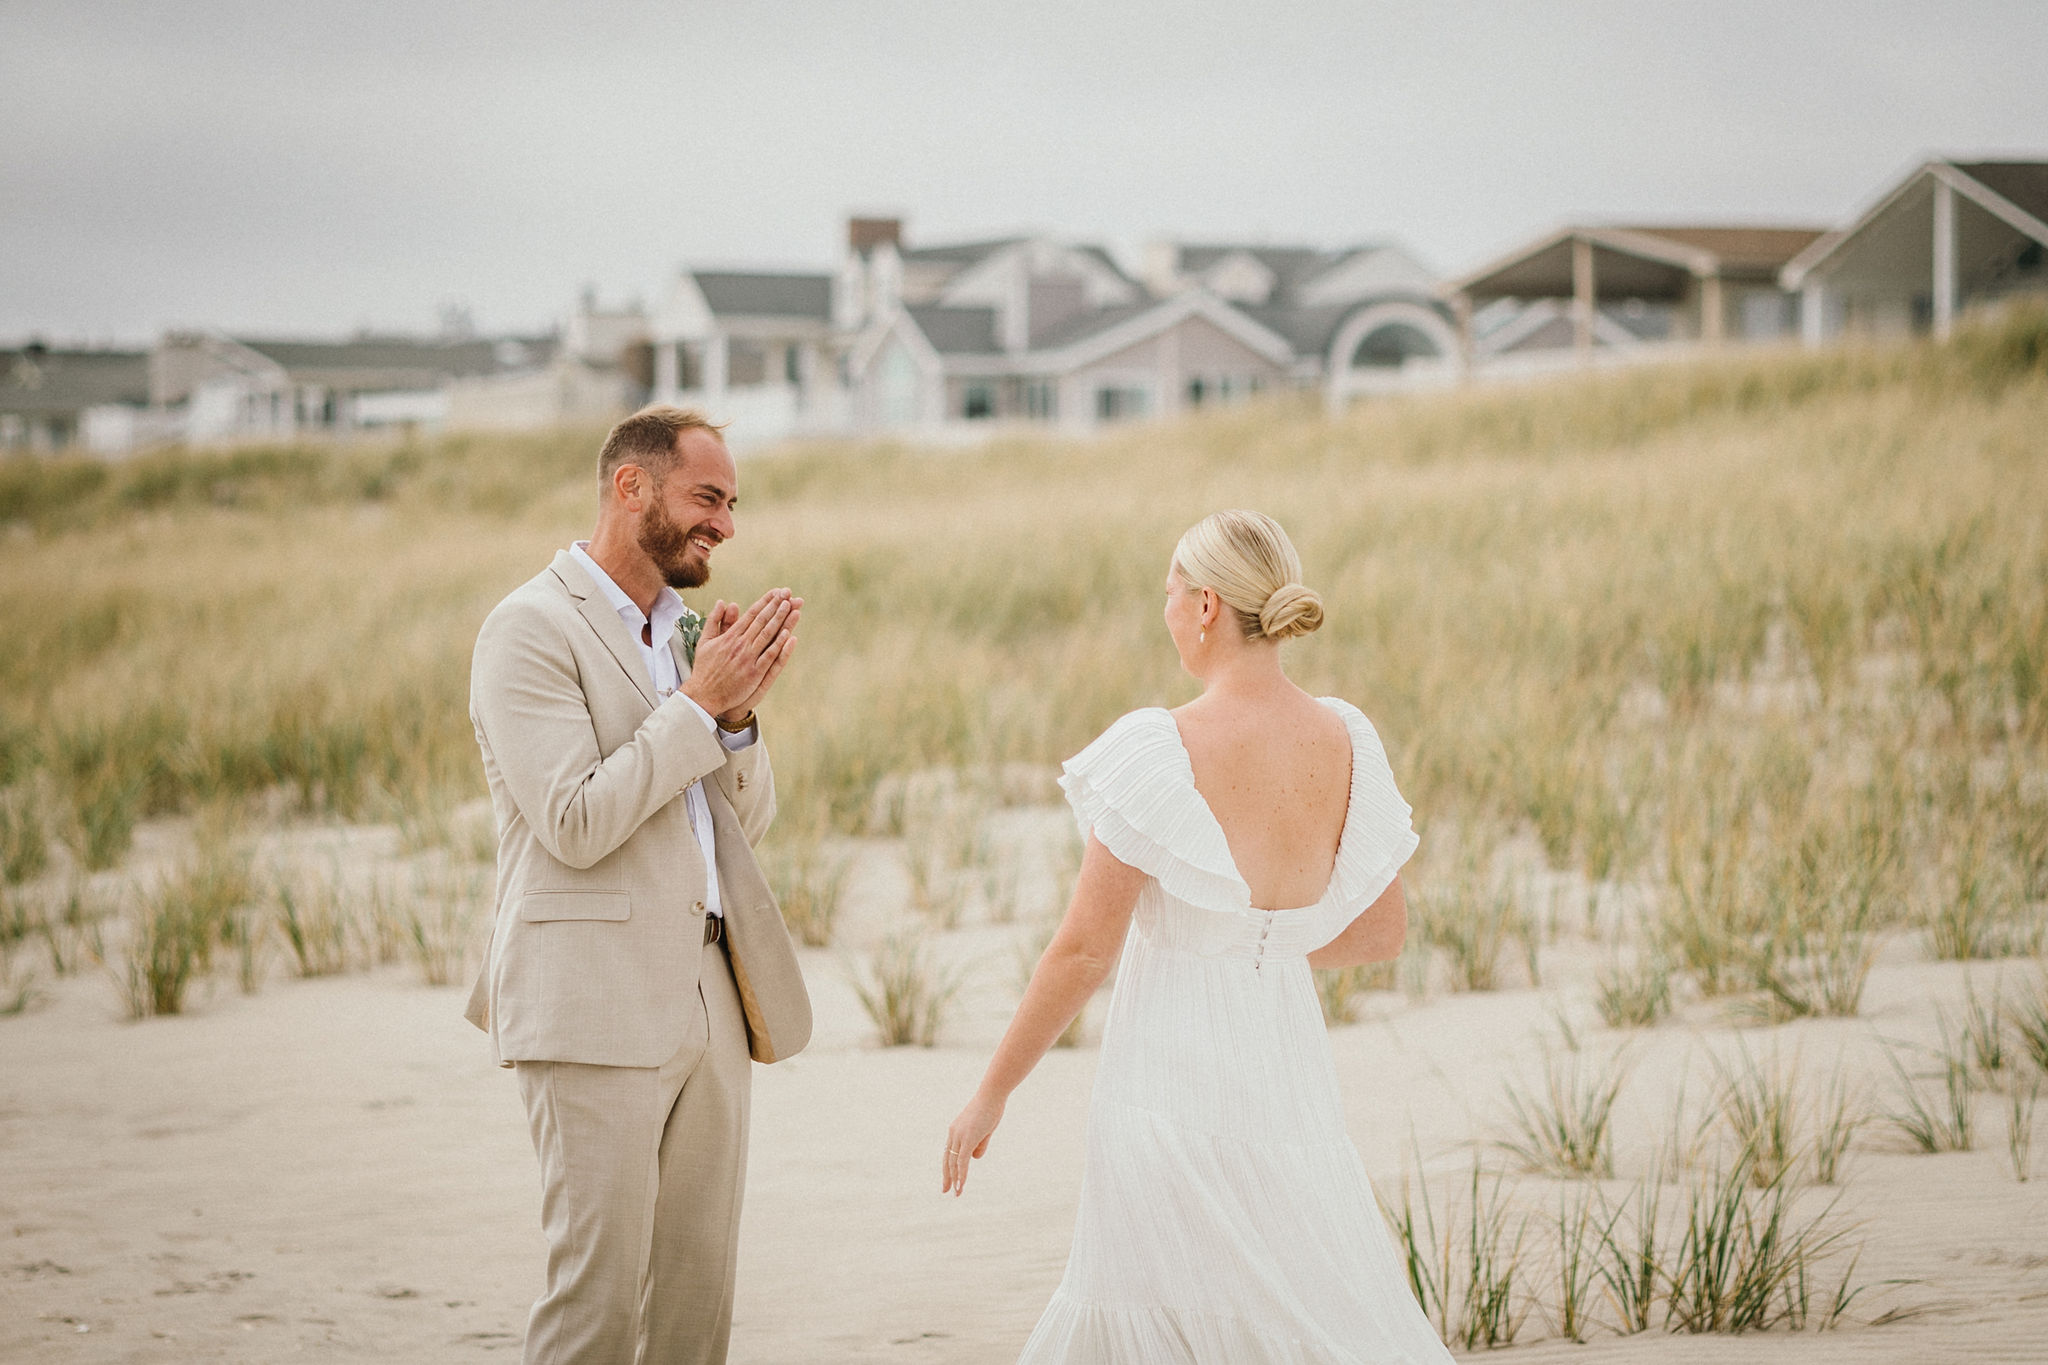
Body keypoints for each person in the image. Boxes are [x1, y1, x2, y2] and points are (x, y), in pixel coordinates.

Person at [943, 509, 1453, 1363]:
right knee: (1296, 1298)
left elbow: (1082, 951)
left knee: (1152, 1300)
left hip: (1167, 1071)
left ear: (1208, 604)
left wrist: (991, 1090)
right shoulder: (1344, 735)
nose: (1169, 612)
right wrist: (1259, 944)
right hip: (1285, 1066)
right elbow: (1381, 929)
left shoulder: (1160, 746)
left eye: (1171, 594)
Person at [464, 405, 812, 1365]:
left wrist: (735, 719)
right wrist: (698, 704)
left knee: (697, 1311)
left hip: (712, 1000)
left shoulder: (684, 628)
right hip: (589, 1001)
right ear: (632, 487)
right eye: (709, 497)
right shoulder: (527, 628)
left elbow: (739, 822)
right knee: (597, 1310)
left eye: (734, 502)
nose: (728, 524)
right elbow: (575, 820)